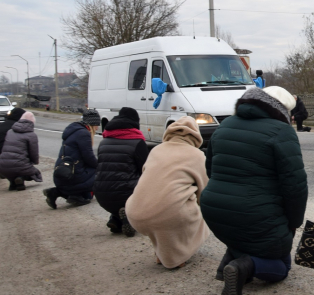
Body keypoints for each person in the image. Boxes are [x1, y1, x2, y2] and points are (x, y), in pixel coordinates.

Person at [200, 86, 308, 295]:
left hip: (214, 209)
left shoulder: (225, 125)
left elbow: (210, 170)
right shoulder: (281, 131)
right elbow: (295, 187)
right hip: (253, 213)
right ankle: (243, 267)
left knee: (245, 232)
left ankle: (230, 260)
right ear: (283, 111)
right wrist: (293, 224)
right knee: (282, 265)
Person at [125, 117, 210, 269]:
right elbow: (204, 193)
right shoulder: (197, 155)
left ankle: (161, 253)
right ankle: (175, 258)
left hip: (134, 211)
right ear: (196, 136)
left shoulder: (156, 150)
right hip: (167, 215)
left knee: (162, 203)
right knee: (185, 211)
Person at [93, 107, 149, 236]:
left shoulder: (103, 142)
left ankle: (116, 220)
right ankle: (129, 218)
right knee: (145, 184)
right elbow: (146, 170)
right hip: (127, 195)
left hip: (101, 193)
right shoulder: (137, 142)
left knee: (116, 187)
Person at [43, 109, 101, 209]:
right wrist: (100, 166)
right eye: (97, 124)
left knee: (85, 192)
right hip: (72, 176)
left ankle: (55, 192)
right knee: (98, 172)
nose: (98, 127)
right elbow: (89, 158)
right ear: (92, 124)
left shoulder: (73, 130)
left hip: (62, 173)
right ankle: (75, 196)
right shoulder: (84, 134)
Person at [0, 111, 41, 190]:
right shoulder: (31, 135)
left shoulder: (10, 131)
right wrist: (35, 162)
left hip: (2, 165)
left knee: (11, 169)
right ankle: (21, 179)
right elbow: (34, 152)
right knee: (34, 172)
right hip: (20, 164)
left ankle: (12, 183)